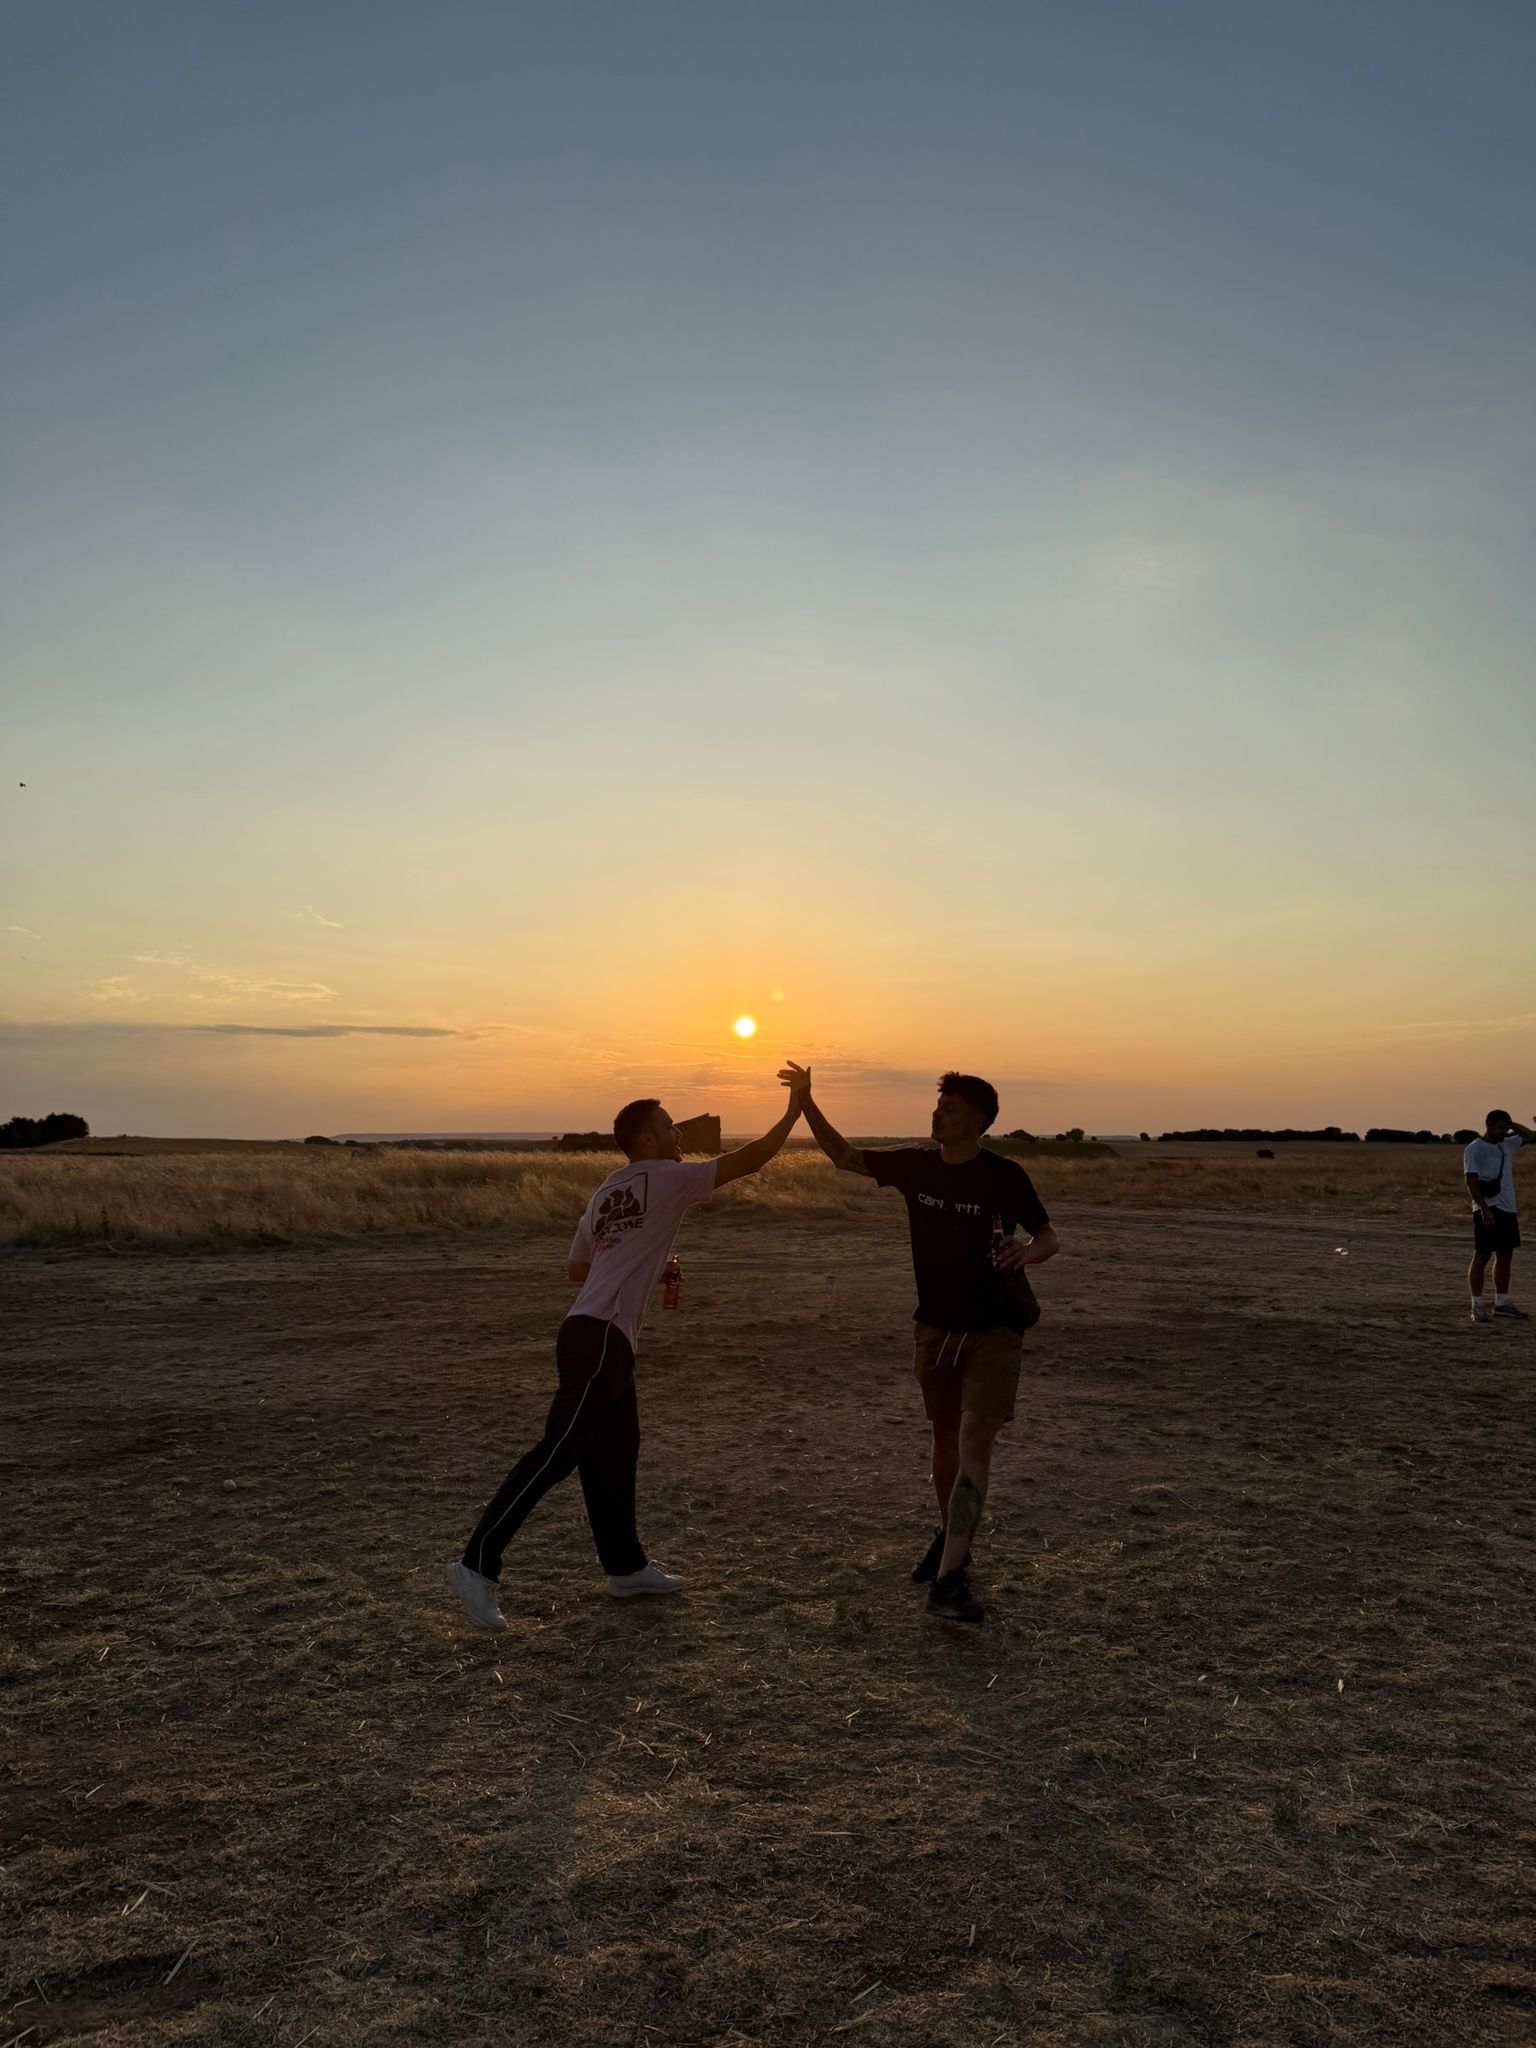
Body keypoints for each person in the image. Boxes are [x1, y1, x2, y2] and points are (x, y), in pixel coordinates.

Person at [447, 1079, 806, 1630]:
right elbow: (750, 1160)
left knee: (614, 1455)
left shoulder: (606, 1192)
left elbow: (577, 1269)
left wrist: (649, 1263)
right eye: (668, 1126)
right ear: (645, 1136)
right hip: (601, 1338)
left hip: (591, 1331)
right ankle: (477, 1564)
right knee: (559, 1450)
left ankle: (625, 1569)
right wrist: (794, 1108)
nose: (677, 1132)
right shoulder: (668, 1178)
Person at [783, 1061, 1060, 1625]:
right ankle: (950, 1539)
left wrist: (1025, 1252)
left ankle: (951, 1580)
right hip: (934, 1328)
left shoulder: (1004, 1175)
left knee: (975, 1439)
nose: (937, 1113)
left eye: (950, 1108)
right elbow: (844, 1156)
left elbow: (1048, 1236)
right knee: (944, 1441)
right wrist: (806, 1100)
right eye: (938, 1106)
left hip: (995, 1329)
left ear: (978, 1120)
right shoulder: (915, 1166)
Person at [1464, 1110, 1533, 1322]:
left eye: (1506, 1128)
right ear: (1488, 1125)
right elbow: (1471, 1181)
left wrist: (1511, 1125)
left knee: (1505, 1256)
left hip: (1508, 1209)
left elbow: (1530, 1136)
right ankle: (1477, 1307)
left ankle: (1501, 1303)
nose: (1503, 1132)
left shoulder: (1507, 1144)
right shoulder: (1475, 1149)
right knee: (1482, 1256)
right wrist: (1484, 1208)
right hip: (1488, 1208)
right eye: (1499, 1128)